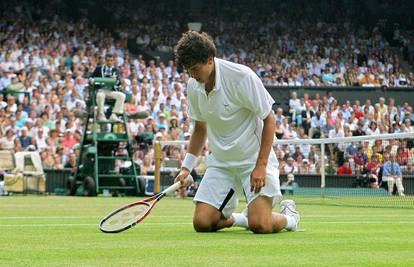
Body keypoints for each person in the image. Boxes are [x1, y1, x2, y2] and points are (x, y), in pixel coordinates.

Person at [173, 31, 299, 234]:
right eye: (188, 71)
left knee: (261, 225)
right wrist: (186, 168)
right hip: (221, 163)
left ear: (209, 60)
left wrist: (261, 166)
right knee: (202, 223)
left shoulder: (242, 77)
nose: (192, 76)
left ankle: (290, 219)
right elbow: (199, 128)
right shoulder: (194, 85)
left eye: (195, 69)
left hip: (252, 160)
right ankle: (242, 218)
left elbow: (269, 120)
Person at [92, 53, 125, 122]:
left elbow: (118, 82)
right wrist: (92, 80)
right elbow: (91, 78)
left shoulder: (116, 70)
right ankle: (101, 114)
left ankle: (114, 115)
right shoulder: (99, 69)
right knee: (100, 95)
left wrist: (115, 81)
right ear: (105, 61)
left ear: (113, 61)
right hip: (101, 90)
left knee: (122, 96)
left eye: (111, 60)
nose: (109, 62)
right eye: (108, 60)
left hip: (111, 91)